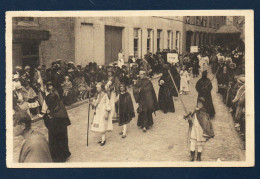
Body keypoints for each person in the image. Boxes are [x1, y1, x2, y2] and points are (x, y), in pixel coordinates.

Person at [42, 83, 71, 162]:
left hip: (55, 125)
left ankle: (59, 157)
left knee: (57, 140)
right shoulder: (57, 101)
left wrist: (47, 116)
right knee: (62, 139)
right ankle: (64, 154)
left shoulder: (52, 100)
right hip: (60, 124)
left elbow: (47, 116)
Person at [186, 97, 214, 161]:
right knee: (192, 141)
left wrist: (206, 131)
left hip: (200, 130)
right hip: (194, 129)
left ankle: (199, 156)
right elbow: (192, 118)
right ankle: (192, 155)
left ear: (203, 105)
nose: (199, 105)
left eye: (201, 104)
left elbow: (207, 122)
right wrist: (189, 120)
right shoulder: (195, 111)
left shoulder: (204, 113)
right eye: (198, 103)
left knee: (200, 144)